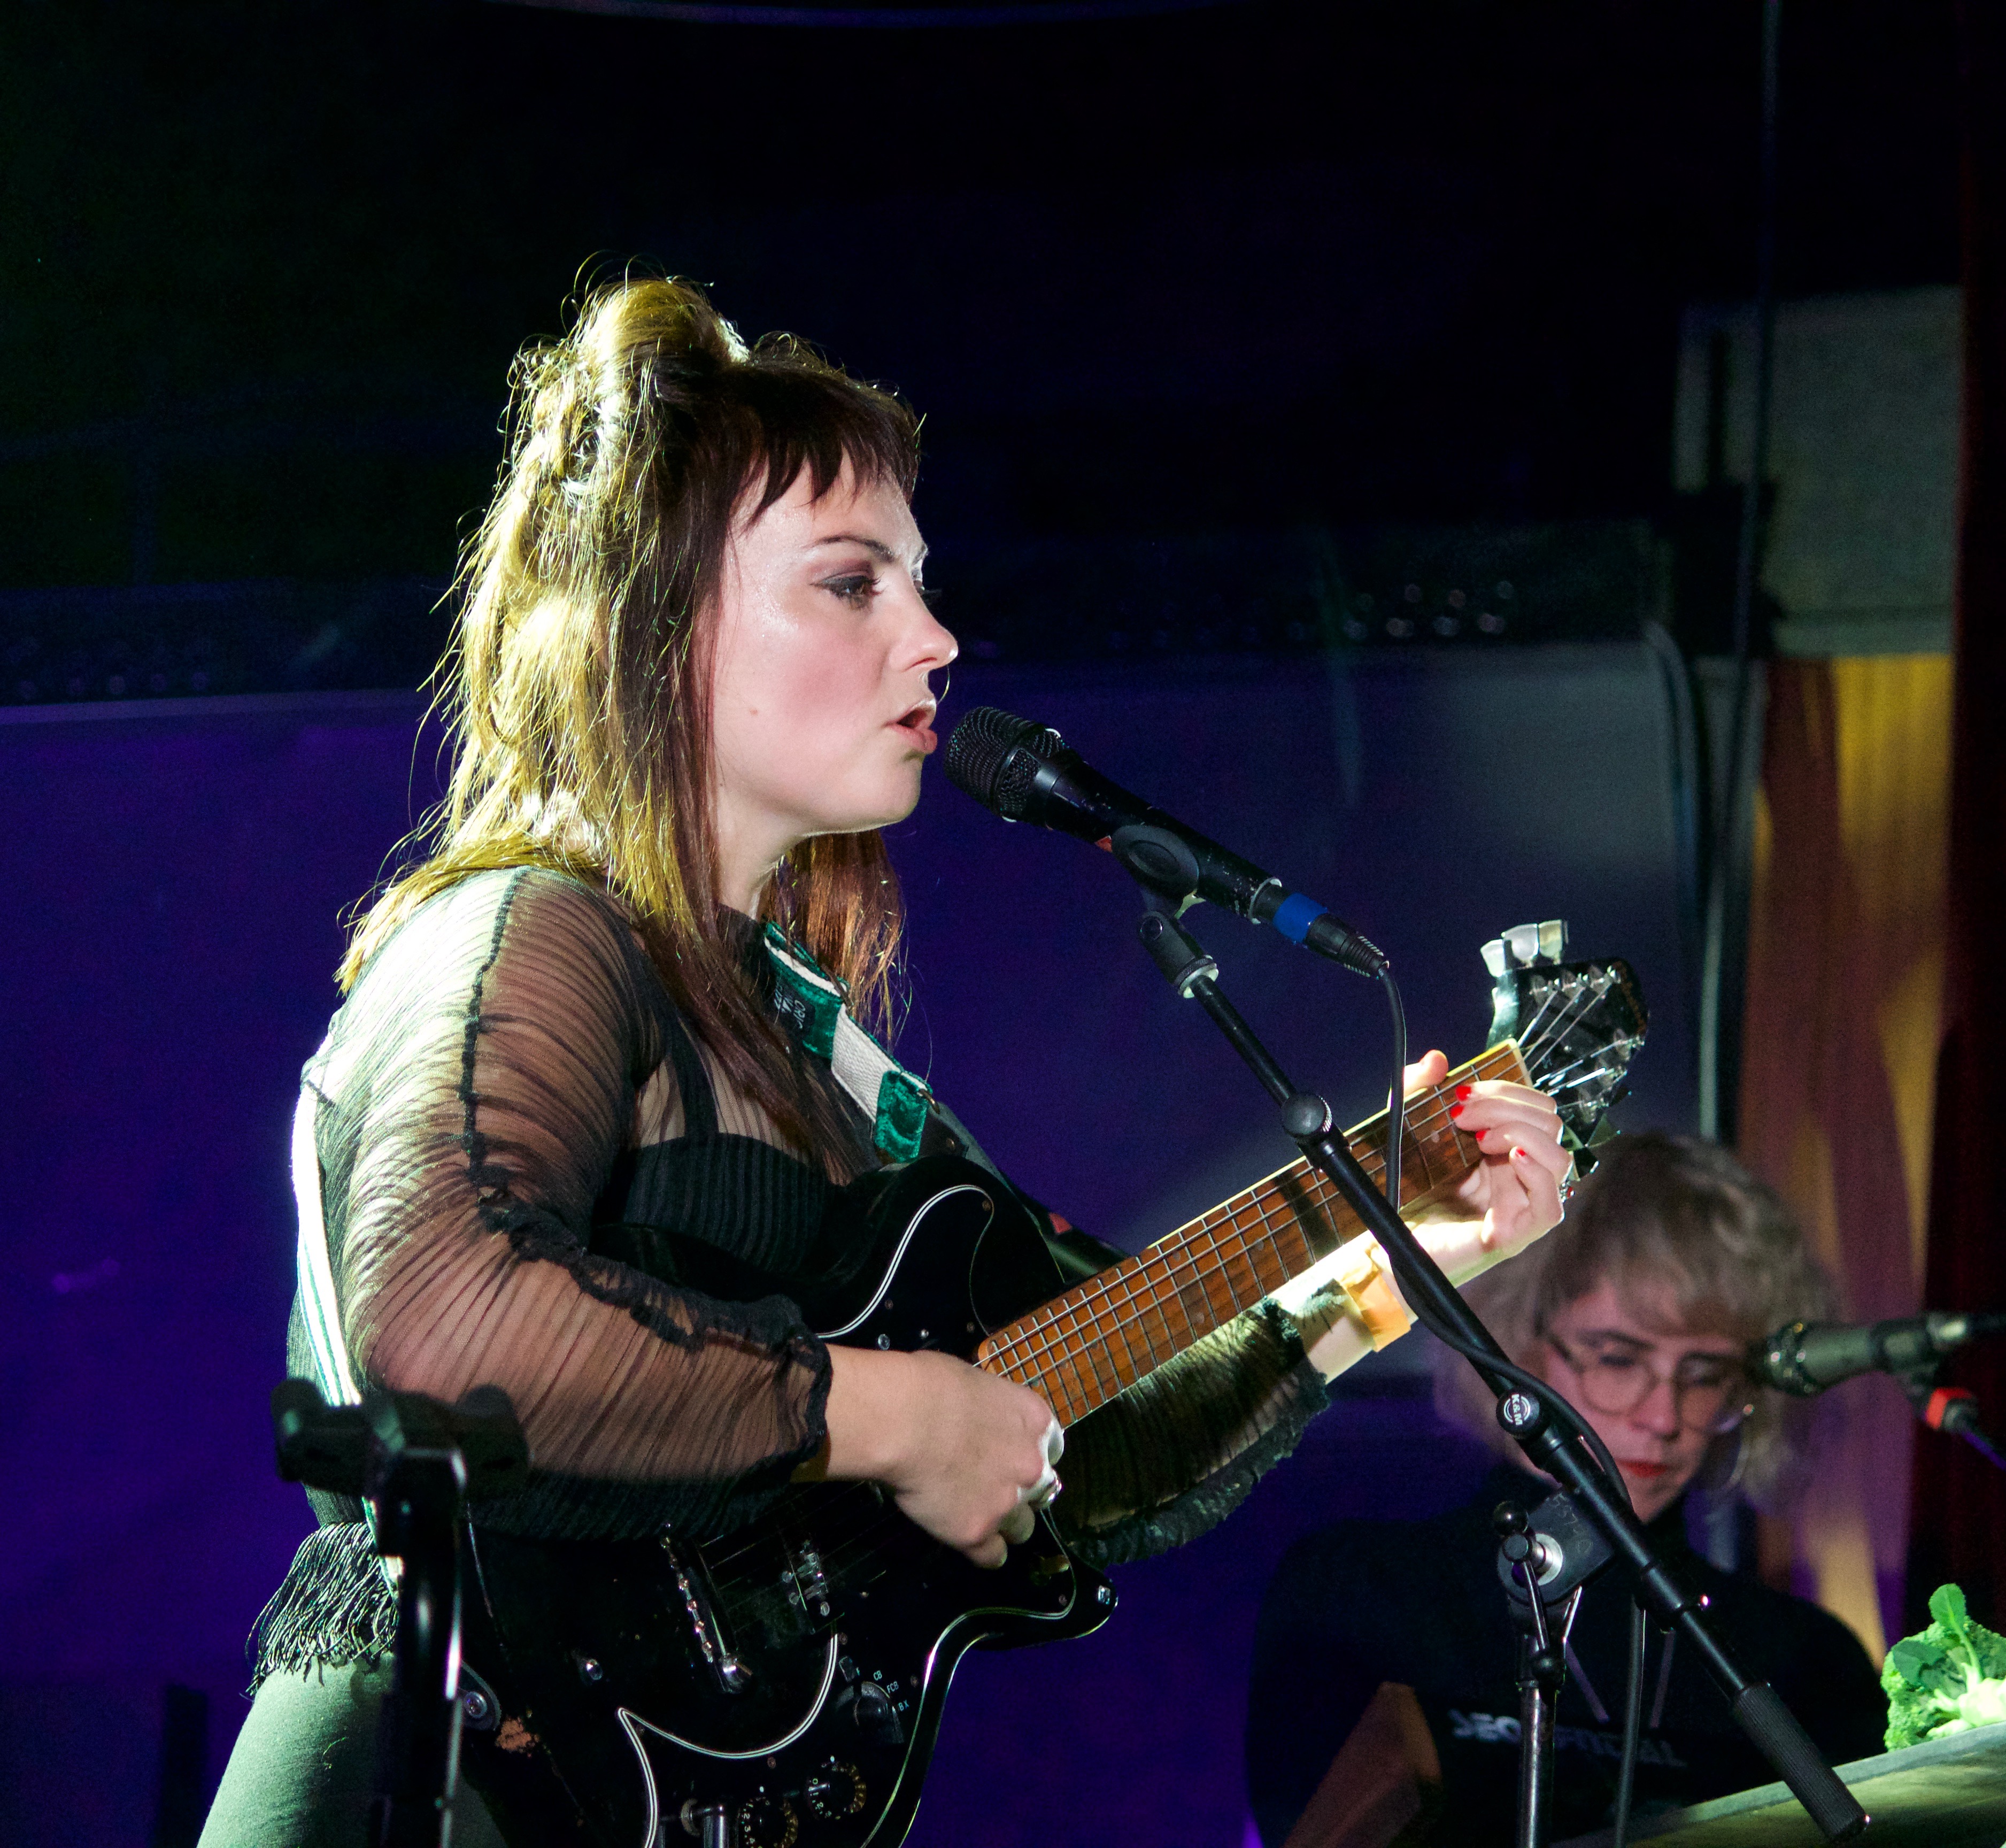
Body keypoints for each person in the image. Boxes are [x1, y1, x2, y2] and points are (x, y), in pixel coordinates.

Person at [197, 275, 1575, 1846]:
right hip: (439, 1783)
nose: (935, 637)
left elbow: (1076, 1438)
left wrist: (1386, 1258)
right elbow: (444, 1328)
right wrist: (890, 1416)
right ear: (658, 623)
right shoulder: (532, 932)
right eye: (851, 584)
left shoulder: (798, 1034)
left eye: (918, 584)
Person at [1245, 1132, 1887, 1847]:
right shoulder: (1363, 1592)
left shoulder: (1803, 1660)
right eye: (1617, 1358)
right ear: (1513, 1339)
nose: (1663, 1416)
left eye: (1705, 1374)